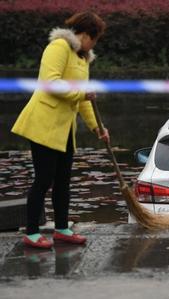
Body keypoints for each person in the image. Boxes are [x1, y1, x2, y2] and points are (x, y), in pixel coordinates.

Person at [11, 12, 110, 249]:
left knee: (64, 181)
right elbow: (51, 83)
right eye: (94, 39)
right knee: (43, 180)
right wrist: (81, 93)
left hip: (64, 129)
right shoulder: (58, 47)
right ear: (85, 34)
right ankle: (32, 232)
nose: (94, 44)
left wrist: (98, 126)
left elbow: (84, 99)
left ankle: (62, 229)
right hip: (43, 123)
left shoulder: (83, 58)